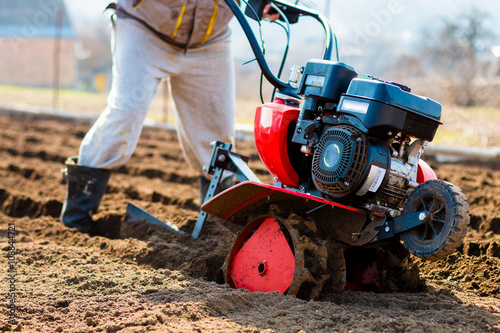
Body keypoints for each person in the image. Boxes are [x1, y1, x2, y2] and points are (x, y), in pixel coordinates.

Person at [60, 0, 279, 234]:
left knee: (217, 136)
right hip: (144, 28)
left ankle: (219, 229)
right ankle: (77, 218)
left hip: (209, 41)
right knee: (126, 112)